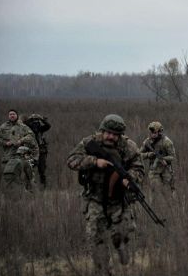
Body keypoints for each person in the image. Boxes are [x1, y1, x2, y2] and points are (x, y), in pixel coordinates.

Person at [67, 114, 144, 275]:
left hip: (119, 200)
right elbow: (72, 160)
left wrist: (129, 179)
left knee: (124, 233)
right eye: (108, 133)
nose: (111, 137)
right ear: (102, 130)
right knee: (96, 239)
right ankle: (103, 270)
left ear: (120, 135)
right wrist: (94, 162)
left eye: (115, 135)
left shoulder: (128, 147)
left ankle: (120, 247)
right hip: (95, 199)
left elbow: (139, 168)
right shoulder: (90, 143)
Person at [139, 121, 176, 191]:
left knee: (168, 191)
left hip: (166, 169)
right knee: (156, 191)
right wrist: (148, 155)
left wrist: (162, 159)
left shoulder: (167, 142)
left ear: (159, 132)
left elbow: (173, 157)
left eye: (154, 132)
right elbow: (138, 155)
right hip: (154, 170)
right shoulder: (147, 142)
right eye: (151, 132)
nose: (152, 134)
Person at [23, 114, 51, 187]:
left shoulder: (41, 129)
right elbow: (23, 125)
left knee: (42, 170)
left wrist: (41, 119)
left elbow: (48, 126)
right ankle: (28, 187)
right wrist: (30, 119)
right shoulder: (28, 129)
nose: (35, 124)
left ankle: (43, 186)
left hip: (41, 151)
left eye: (37, 122)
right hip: (30, 152)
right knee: (29, 170)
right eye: (33, 122)